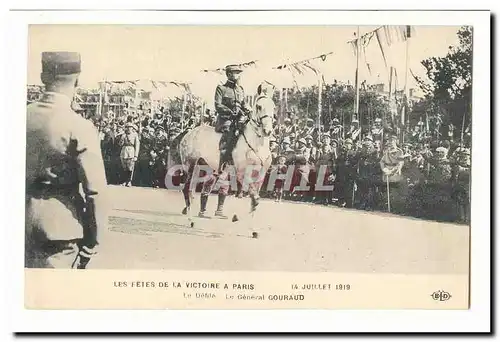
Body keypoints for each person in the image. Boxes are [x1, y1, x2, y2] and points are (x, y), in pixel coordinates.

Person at [25, 51, 108, 269]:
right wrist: (93, 241)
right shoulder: (79, 126)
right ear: (77, 80)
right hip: (60, 231)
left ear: (43, 77)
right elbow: (95, 192)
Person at [214, 64, 251, 174]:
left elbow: (243, 104)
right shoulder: (221, 88)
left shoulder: (240, 89)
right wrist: (230, 112)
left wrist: (248, 109)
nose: (238, 75)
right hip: (226, 120)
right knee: (229, 135)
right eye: (236, 73)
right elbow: (218, 105)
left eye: (239, 73)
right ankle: (222, 164)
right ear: (229, 74)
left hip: (239, 119)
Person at [119, 122, 141, 187]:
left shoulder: (135, 135)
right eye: (127, 127)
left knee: (130, 167)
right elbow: (120, 144)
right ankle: (124, 181)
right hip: (124, 151)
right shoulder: (123, 135)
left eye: (130, 127)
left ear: (132, 128)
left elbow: (137, 145)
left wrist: (136, 155)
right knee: (124, 167)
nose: (129, 129)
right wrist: (121, 140)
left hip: (131, 151)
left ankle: (129, 181)